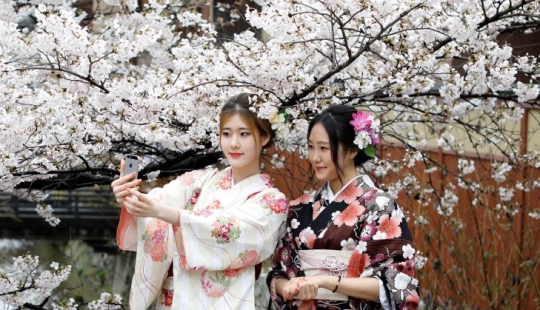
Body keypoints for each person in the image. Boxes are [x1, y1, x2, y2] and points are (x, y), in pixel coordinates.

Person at [111, 93, 288, 309]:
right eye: (226, 133)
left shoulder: (272, 202)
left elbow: (226, 230)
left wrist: (167, 214)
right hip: (173, 300)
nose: (233, 143)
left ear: (263, 137)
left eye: (244, 134)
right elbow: (157, 202)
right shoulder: (198, 182)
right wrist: (130, 197)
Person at [267, 105, 420, 309]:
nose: (315, 157)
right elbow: (277, 274)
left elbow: (398, 283)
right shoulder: (298, 208)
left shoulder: (380, 207)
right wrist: (289, 287)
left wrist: (327, 282)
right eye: (311, 147)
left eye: (324, 148)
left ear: (352, 150)